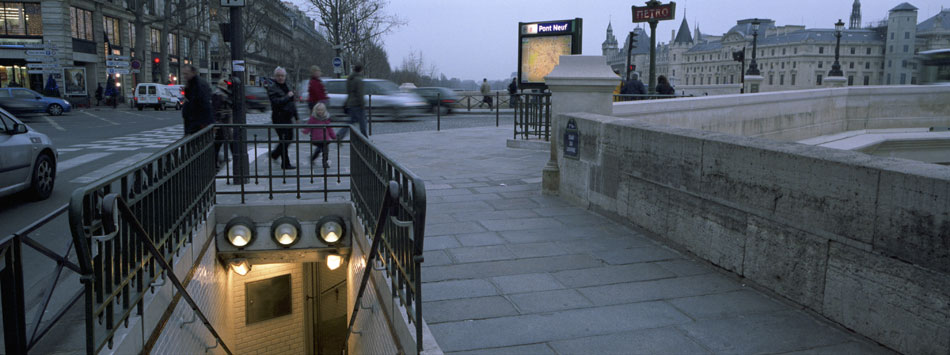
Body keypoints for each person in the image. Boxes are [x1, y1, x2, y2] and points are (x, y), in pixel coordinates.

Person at [267, 66, 298, 170]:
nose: (280, 77)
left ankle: (275, 154)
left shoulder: (287, 86)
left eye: (282, 75)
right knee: (284, 139)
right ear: (275, 76)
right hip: (279, 117)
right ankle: (285, 163)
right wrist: (287, 97)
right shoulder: (272, 88)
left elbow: (292, 103)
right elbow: (276, 102)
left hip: (288, 117)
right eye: (278, 76)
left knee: (289, 138)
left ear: (285, 76)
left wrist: (296, 116)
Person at [181, 64, 214, 136]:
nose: (184, 76)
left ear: (193, 72)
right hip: (195, 121)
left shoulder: (198, 84)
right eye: (183, 74)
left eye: (186, 73)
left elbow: (203, 103)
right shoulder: (192, 83)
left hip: (197, 122)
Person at [302, 102, 337, 169]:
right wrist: (305, 131)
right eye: (318, 110)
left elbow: (329, 128)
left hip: (325, 138)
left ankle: (324, 162)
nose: (320, 111)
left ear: (324, 110)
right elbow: (309, 126)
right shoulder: (313, 118)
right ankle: (314, 158)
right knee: (320, 149)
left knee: (325, 150)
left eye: (321, 110)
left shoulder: (326, 118)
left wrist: (333, 137)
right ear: (315, 110)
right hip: (316, 138)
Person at [337, 64, 366, 139]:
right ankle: (365, 139)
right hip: (358, 104)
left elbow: (349, 92)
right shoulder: (359, 80)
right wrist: (362, 104)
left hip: (351, 103)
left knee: (350, 122)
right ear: (361, 70)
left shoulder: (350, 79)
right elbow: (360, 94)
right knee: (363, 122)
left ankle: (340, 135)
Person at [212, 79, 233, 170]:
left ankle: (216, 161)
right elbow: (216, 109)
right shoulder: (218, 94)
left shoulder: (223, 93)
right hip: (222, 121)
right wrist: (216, 122)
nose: (226, 85)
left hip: (225, 121)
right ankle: (215, 161)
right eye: (225, 84)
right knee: (220, 142)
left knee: (223, 141)